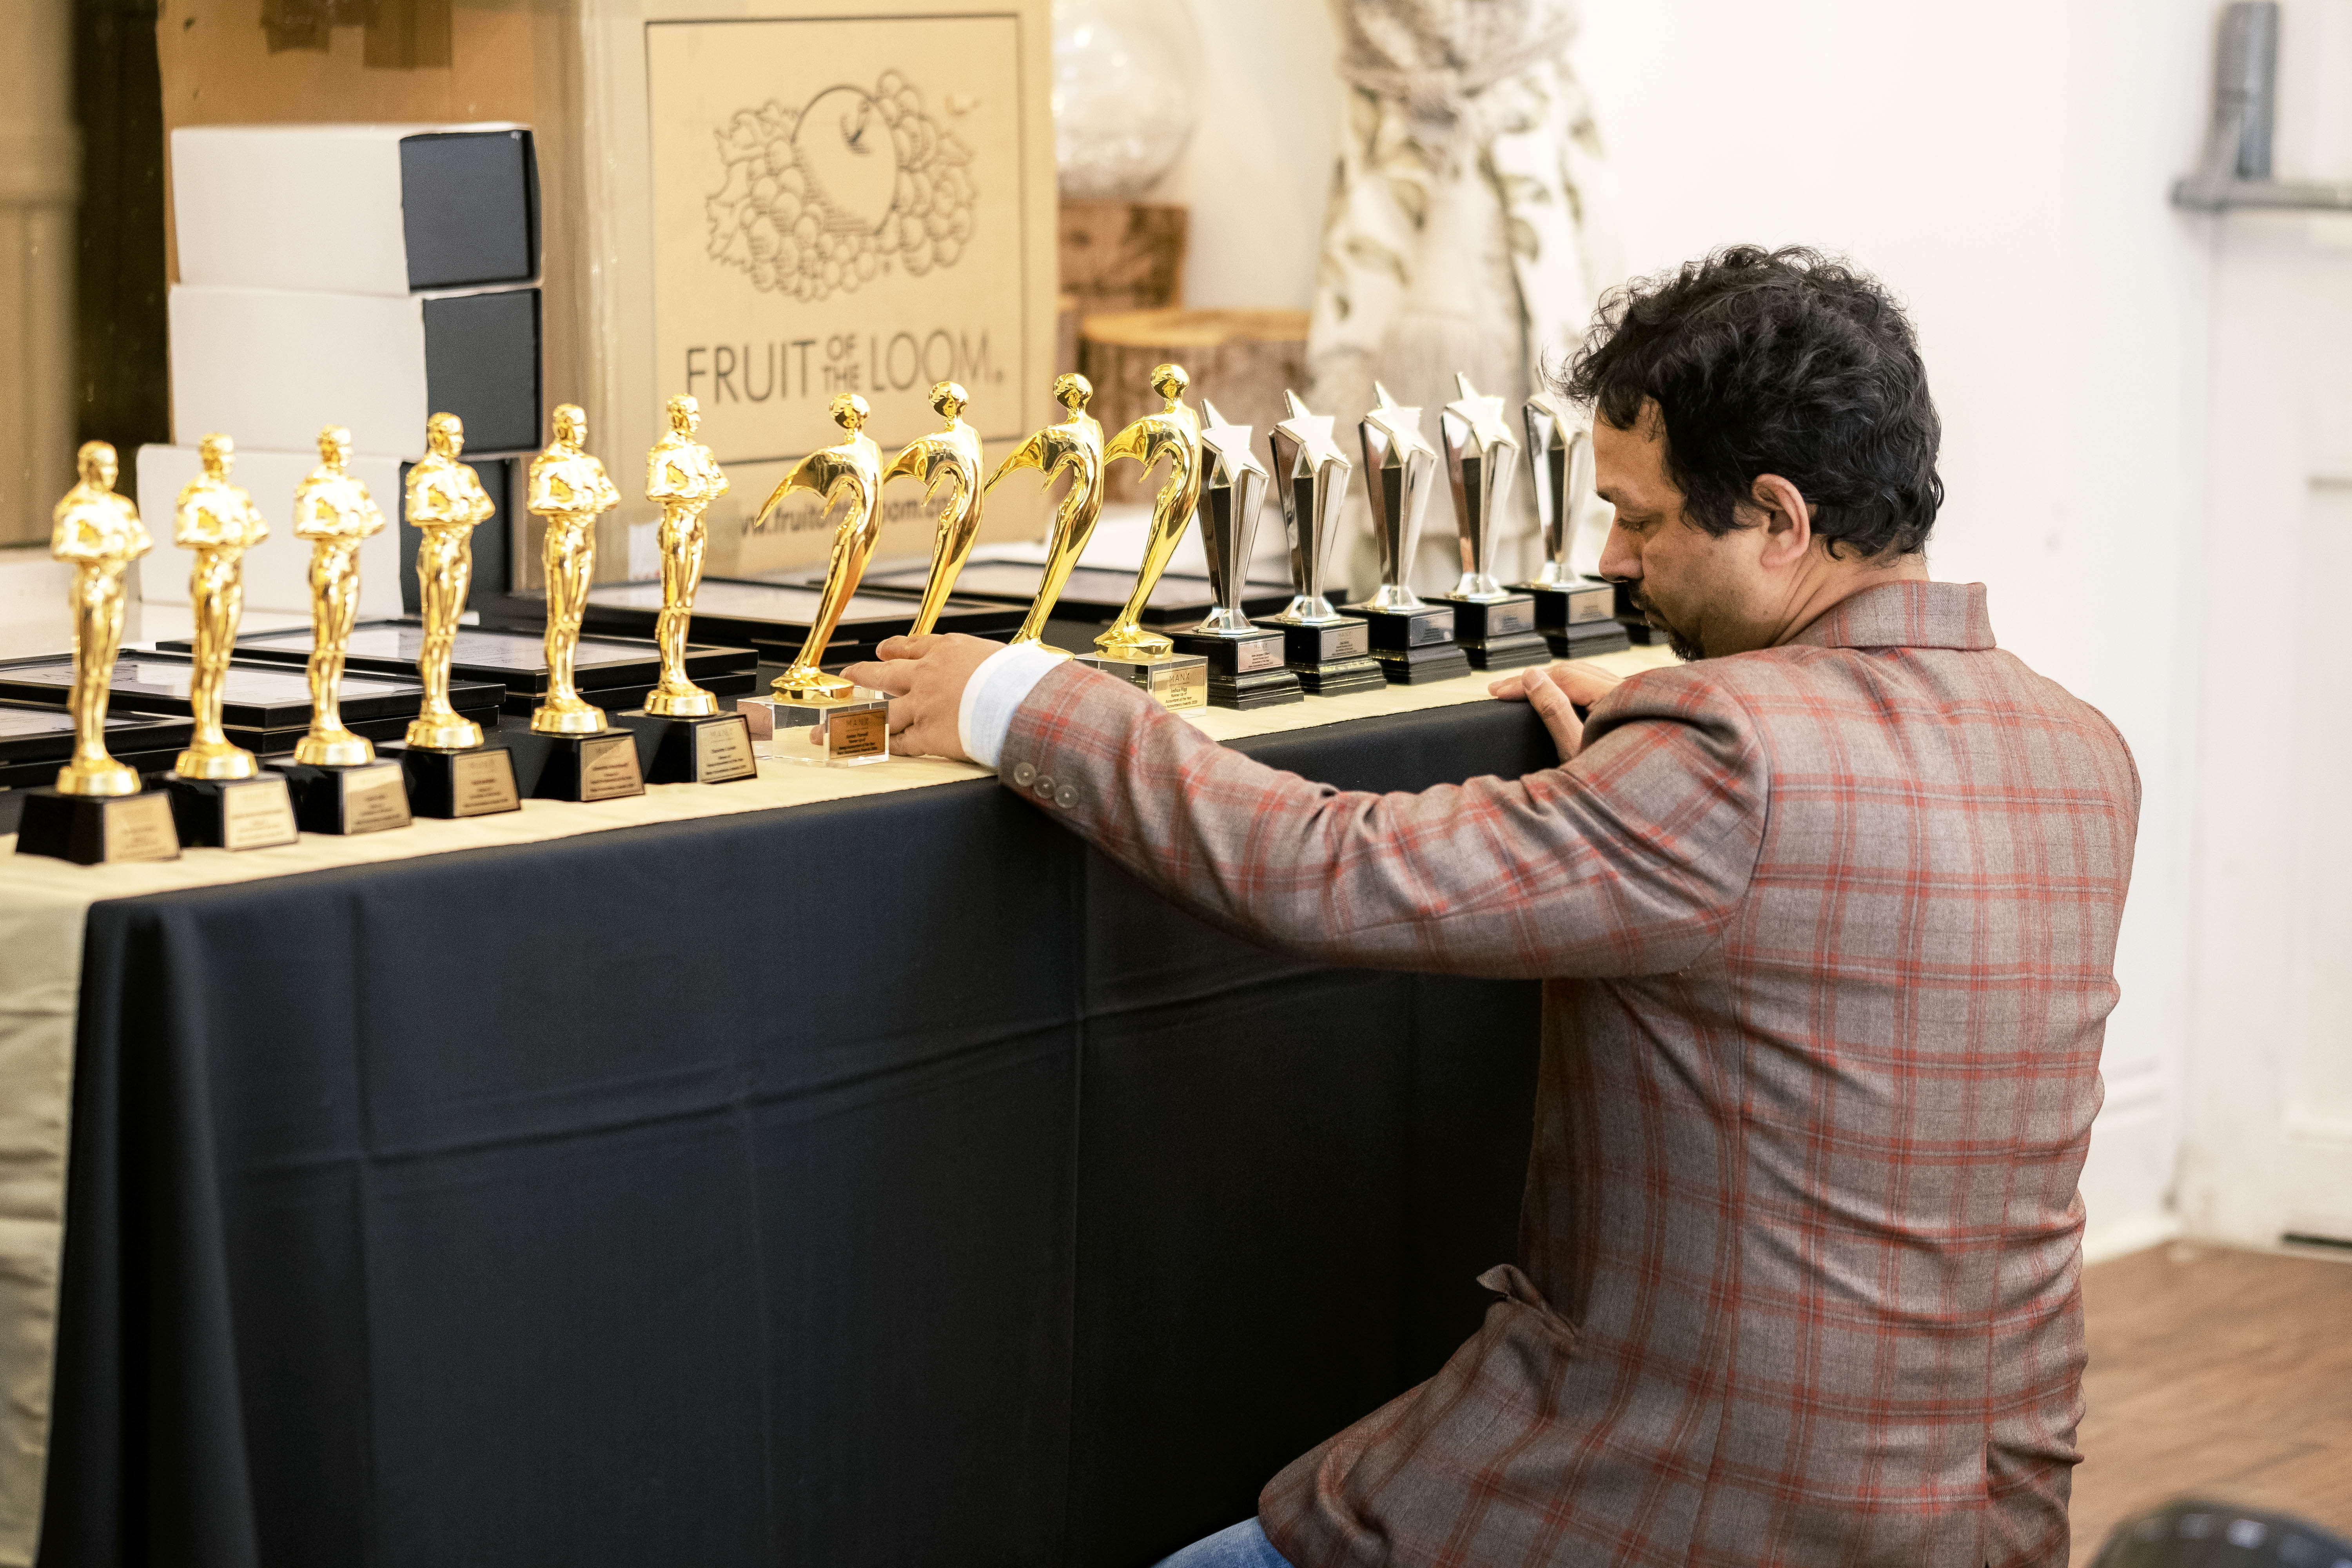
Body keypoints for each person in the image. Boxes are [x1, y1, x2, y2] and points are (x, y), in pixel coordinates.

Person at [847, 247, 2140, 1568]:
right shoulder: (2080, 748)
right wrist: (1631, 790)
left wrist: (1027, 702)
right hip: (1982, 1520)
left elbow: (1333, 869)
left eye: (1641, 519)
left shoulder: (1732, 758)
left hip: (1702, 1497)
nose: (1614, 557)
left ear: (1778, 518)